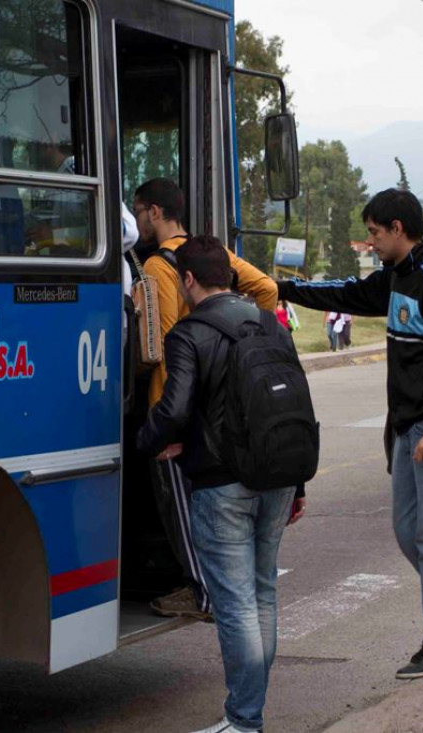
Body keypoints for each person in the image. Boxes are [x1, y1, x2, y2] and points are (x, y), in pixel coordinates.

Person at [278, 189, 423, 679]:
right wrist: (284, 290)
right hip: (404, 429)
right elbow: (347, 293)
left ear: (399, 229)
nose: (371, 242)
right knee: (408, 533)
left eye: (376, 233)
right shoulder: (395, 277)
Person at [136, 236, 307, 733]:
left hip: (220, 484)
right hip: (276, 477)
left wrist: (147, 441)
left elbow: (175, 406)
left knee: (234, 605)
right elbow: (292, 404)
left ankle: (244, 719)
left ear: (187, 280)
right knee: (263, 595)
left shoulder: (189, 332)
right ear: (229, 276)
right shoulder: (271, 326)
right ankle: (250, 710)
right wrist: (296, 486)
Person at [134, 178, 278, 621]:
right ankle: (209, 585)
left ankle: (204, 591)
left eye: (138, 210)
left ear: (155, 212)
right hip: (217, 405)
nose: (136, 220)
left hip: (174, 402)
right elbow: (269, 290)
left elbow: (157, 347)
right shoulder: (213, 255)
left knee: (178, 505)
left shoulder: (159, 267)